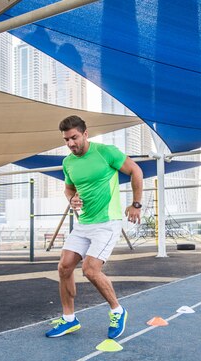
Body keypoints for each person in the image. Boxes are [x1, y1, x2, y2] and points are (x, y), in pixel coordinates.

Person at [46, 115, 143, 339]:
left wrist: (136, 204)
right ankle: (69, 320)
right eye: (66, 140)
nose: (71, 144)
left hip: (107, 223)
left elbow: (135, 171)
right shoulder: (67, 162)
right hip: (84, 224)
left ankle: (118, 311)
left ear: (85, 134)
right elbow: (69, 189)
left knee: (90, 270)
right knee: (64, 268)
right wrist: (72, 200)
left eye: (74, 137)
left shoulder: (106, 152)